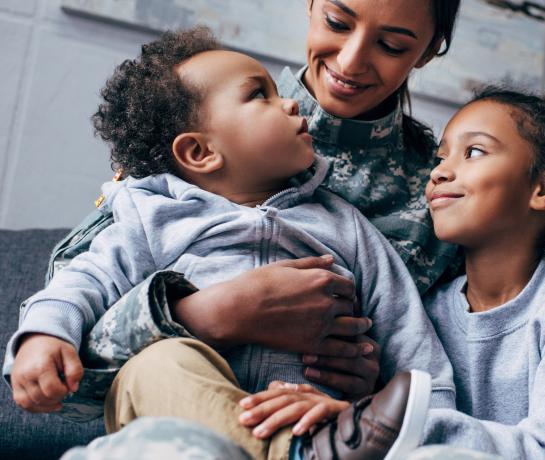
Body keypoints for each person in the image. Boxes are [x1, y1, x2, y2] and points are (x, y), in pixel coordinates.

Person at [8, 27, 453, 459]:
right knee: (159, 362)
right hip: (181, 428)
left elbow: (412, 344)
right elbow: (86, 278)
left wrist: (427, 422)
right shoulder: (152, 216)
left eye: (393, 44)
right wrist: (44, 333)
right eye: (260, 95)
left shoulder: (346, 224)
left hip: (305, 416)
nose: (292, 102)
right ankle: (289, 454)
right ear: (200, 152)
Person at [235, 78, 545, 458]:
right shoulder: (425, 310)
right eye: (440, 157)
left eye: (473, 153)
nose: (439, 173)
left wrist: (393, 427)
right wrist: (355, 411)